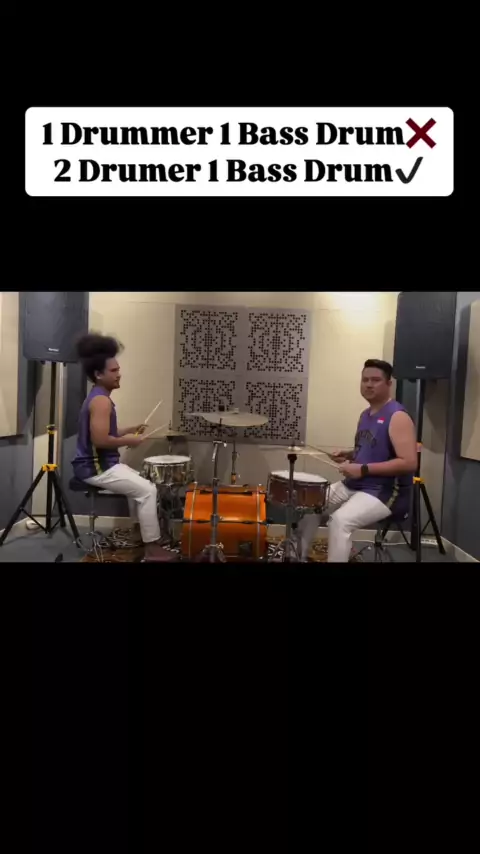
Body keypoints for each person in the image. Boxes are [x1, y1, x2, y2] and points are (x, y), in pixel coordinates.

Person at [295, 359, 417, 562]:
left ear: (389, 384)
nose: (369, 384)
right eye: (365, 380)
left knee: (340, 521)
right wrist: (349, 455)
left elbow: (409, 462)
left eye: (375, 380)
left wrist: (363, 469)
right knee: (311, 503)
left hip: (385, 491)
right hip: (355, 484)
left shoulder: (398, 416)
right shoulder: (365, 415)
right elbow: (372, 450)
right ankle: (298, 556)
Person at [71, 333, 167, 561]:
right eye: (113, 371)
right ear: (98, 374)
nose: (118, 374)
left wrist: (129, 430)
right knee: (148, 490)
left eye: (118, 369)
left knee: (141, 484)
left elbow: (106, 432)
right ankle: (152, 548)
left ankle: (139, 534)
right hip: (95, 468)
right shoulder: (101, 401)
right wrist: (130, 441)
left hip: (101, 464)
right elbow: (100, 440)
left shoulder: (98, 397)